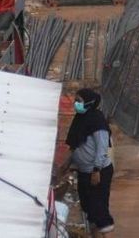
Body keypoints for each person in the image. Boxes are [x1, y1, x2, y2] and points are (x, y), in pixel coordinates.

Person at [57, 88, 116, 236]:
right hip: (84, 171)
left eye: (79, 101)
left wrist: (96, 170)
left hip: (98, 171)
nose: (76, 104)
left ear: (89, 103)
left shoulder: (97, 122)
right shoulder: (80, 120)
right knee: (88, 206)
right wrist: (67, 164)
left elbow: (102, 148)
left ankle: (103, 231)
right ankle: (95, 233)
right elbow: (76, 145)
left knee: (98, 207)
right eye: (75, 100)